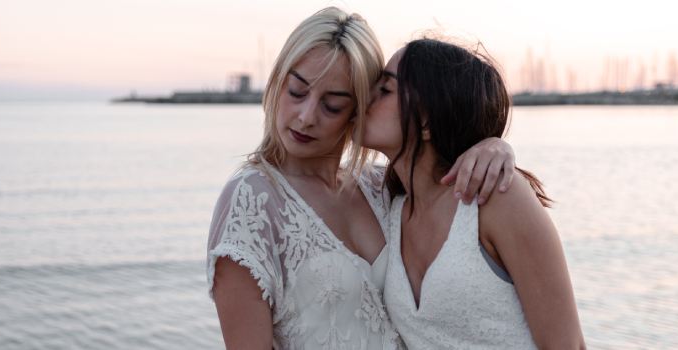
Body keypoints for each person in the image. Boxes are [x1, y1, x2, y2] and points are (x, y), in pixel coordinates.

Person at [206, 8, 517, 349]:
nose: (307, 117)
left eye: (333, 105)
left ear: (360, 108)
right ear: (278, 81)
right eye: (297, 91)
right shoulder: (251, 200)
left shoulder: (384, 188)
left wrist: (493, 145)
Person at [364, 39, 585, 349]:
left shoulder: (496, 199)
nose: (365, 97)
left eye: (385, 90)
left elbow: (567, 345)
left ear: (427, 120)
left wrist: (497, 145)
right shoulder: (388, 205)